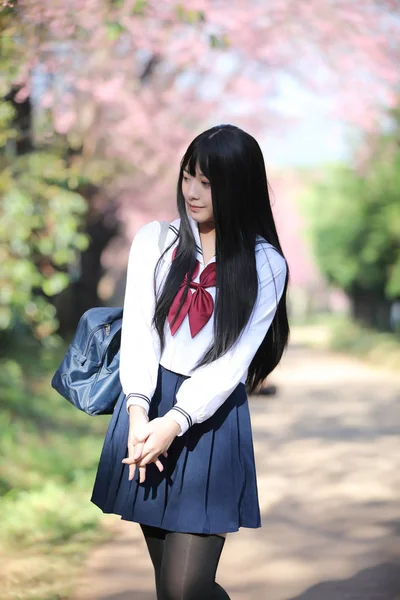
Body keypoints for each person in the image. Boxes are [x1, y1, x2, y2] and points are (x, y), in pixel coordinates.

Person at [91, 124, 290, 600]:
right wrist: (139, 413)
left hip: (209, 420)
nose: (193, 192)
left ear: (238, 187)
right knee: (170, 587)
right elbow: (139, 332)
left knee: (186, 588)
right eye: (188, 177)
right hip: (145, 404)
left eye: (208, 182)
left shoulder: (265, 264)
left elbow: (232, 363)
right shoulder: (155, 241)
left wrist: (175, 422)